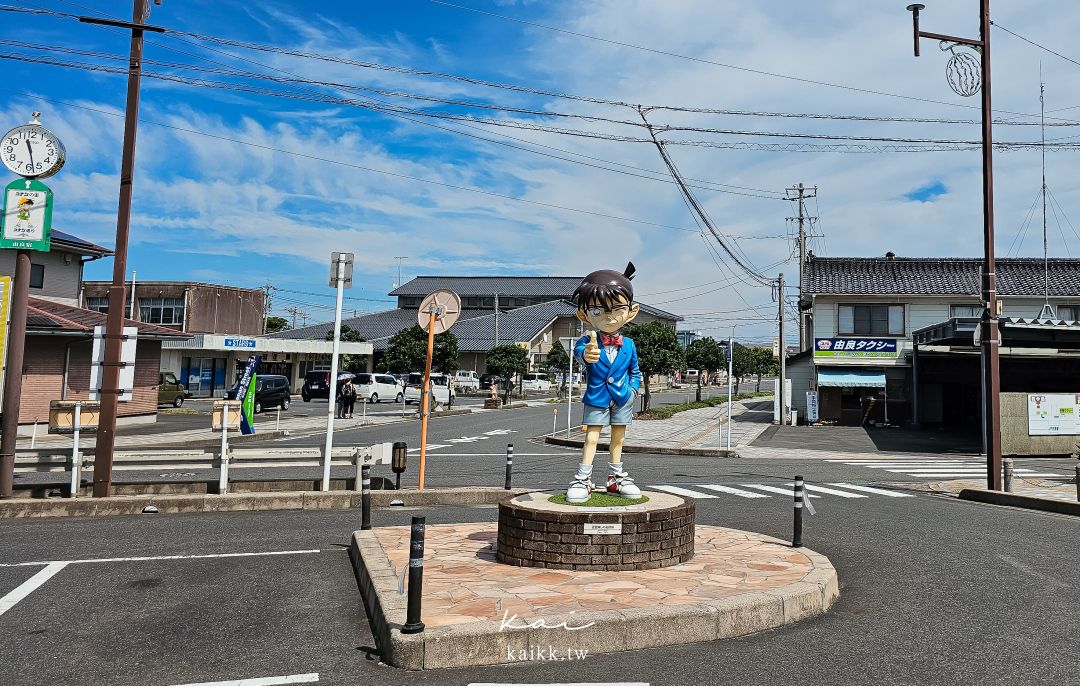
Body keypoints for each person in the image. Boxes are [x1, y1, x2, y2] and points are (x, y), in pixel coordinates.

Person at [567, 262, 643, 503]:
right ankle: (583, 479)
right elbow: (580, 353)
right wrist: (586, 355)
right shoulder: (588, 340)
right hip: (597, 398)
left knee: (618, 438)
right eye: (598, 311)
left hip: (622, 399)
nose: (609, 317)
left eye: (617, 309)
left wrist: (632, 391)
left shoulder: (629, 344)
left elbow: (635, 370)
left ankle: (616, 478)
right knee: (591, 437)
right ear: (584, 314)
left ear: (631, 311)